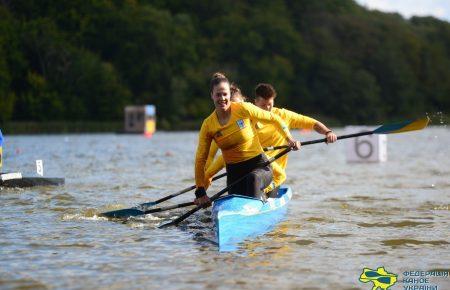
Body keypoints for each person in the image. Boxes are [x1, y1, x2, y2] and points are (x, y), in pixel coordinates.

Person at [194, 73, 300, 206]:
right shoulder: (208, 125)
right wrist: (201, 192)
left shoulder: (243, 109)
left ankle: (261, 200)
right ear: (211, 95)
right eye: (218, 94)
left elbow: (275, 119)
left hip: (259, 167)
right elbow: (200, 159)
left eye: (225, 94)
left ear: (229, 94)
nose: (222, 98)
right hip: (234, 174)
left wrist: (289, 139)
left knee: (253, 178)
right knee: (236, 201)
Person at [253, 83, 337, 196]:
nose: (267, 109)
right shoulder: (248, 116)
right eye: (263, 105)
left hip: (273, 175)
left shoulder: (283, 115)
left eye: (270, 104)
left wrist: (328, 132)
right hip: (251, 168)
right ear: (255, 102)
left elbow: (313, 124)